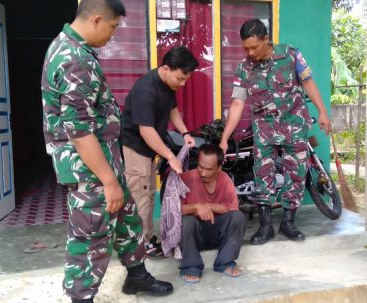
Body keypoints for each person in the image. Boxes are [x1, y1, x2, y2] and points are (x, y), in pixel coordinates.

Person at [41, 1, 173, 301]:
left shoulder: (72, 48)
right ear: (97, 20)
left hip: (103, 163)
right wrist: (109, 181)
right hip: (91, 170)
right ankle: (81, 296)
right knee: (91, 237)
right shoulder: (75, 60)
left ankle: (137, 275)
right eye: (113, 28)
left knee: (128, 220)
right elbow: (80, 130)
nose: (112, 36)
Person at [219, 19, 332, 245]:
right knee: (263, 174)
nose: (250, 52)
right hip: (265, 128)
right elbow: (238, 104)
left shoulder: (290, 55)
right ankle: (265, 226)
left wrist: (322, 112)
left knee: (297, 172)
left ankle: (288, 223)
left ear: (266, 40)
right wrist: (224, 138)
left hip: (295, 124)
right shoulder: (244, 68)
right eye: (246, 48)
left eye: (254, 47)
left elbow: (308, 83)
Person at [121, 46, 198, 257]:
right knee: (140, 197)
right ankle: (138, 245)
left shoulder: (167, 85)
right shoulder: (145, 90)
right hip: (136, 148)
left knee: (148, 194)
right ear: (165, 68)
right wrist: (171, 157)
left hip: (150, 149)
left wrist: (185, 133)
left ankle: (146, 237)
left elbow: (172, 110)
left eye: (186, 80)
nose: (182, 84)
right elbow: (146, 131)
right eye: (180, 78)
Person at [177, 144, 246, 283]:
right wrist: (196, 207)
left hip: (216, 232)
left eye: (209, 169)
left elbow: (232, 207)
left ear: (219, 167)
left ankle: (225, 262)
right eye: (200, 167)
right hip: (194, 235)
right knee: (185, 221)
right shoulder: (185, 179)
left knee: (238, 217)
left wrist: (208, 206)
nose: (203, 173)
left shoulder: (225, 179)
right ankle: (191, 267)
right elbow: (173, 210)